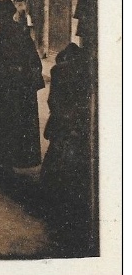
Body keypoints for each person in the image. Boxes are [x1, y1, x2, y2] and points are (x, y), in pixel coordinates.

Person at [0, 0, 45, 171]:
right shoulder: (10, 31)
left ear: (3, 14)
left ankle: (7, 161)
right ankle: (9, 159)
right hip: (10, 85)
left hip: (9, 86)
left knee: (9, 123)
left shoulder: (8, 33)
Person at [40, 43, 93, 242]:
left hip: (63, 124)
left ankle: (53, 202)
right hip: (74, 124)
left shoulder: (59, 72)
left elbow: (53, 101)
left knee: (57, 162)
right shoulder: (78, 71)